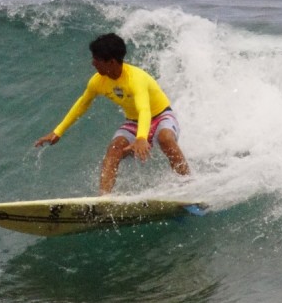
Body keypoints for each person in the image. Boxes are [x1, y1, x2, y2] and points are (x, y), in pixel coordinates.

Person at [35, 33, 190, 195]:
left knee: (165, 138)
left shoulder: (135, 78)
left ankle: (187, 184)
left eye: (97, 60)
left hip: (161, 116)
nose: (93, 63)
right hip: (133, 122)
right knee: (114, 148)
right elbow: (82, 104)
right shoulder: (97, 81)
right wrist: (58, 131)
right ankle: (104, 199)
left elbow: (144, 109)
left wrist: (141, 138)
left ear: (112, 62)